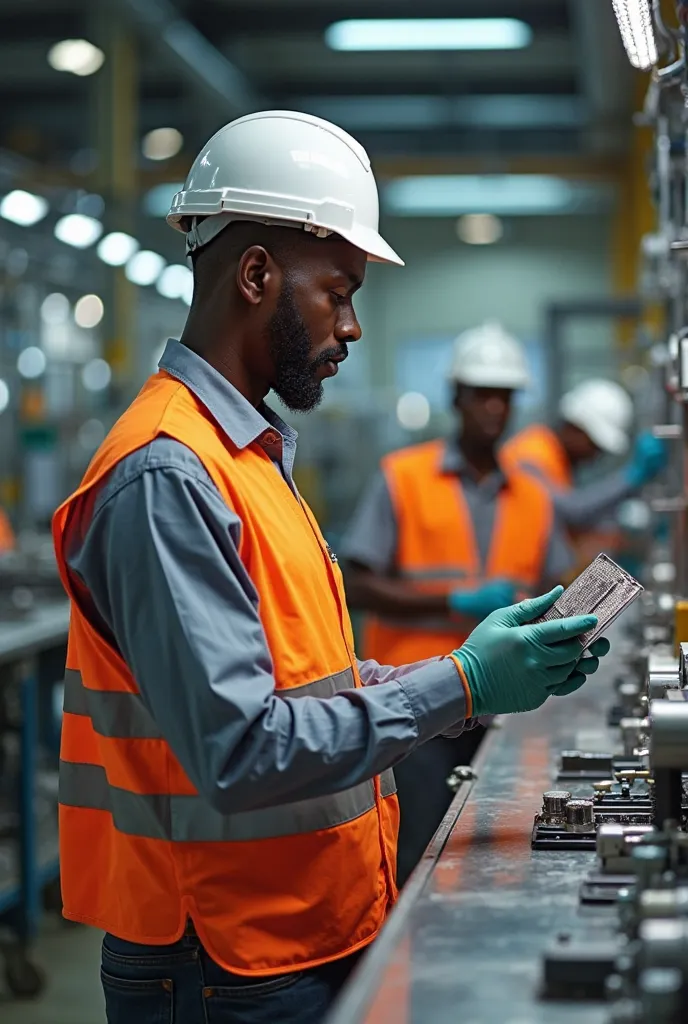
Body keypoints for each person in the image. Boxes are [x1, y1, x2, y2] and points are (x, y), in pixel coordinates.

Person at [52, 113, 608, 1024]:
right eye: (338, 292)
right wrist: (458, 686)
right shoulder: (166, 473)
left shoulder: (248, 457)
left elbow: (300, 685)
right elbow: (238, 751)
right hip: (225, 962)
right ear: (259, 274)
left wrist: (457, 665)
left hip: (293, 935)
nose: (350, 326)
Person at [342, 321, 575, 884]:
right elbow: (356, 581)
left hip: (505, 708)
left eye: (505, 396)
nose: (493, 408)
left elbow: (556, 585)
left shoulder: (534, 495)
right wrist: (454, 601)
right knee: (415, 855)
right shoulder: (403, 477)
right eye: (481, 394)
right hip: (414, 704)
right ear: (456, 397)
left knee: (495, 859)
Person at [500, 379, 667, 565]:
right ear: (576, 428)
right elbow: (570, 510)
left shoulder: (557, 461)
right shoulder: (529, 454)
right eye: (594, 446)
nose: (595, 456)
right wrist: (630, 478)